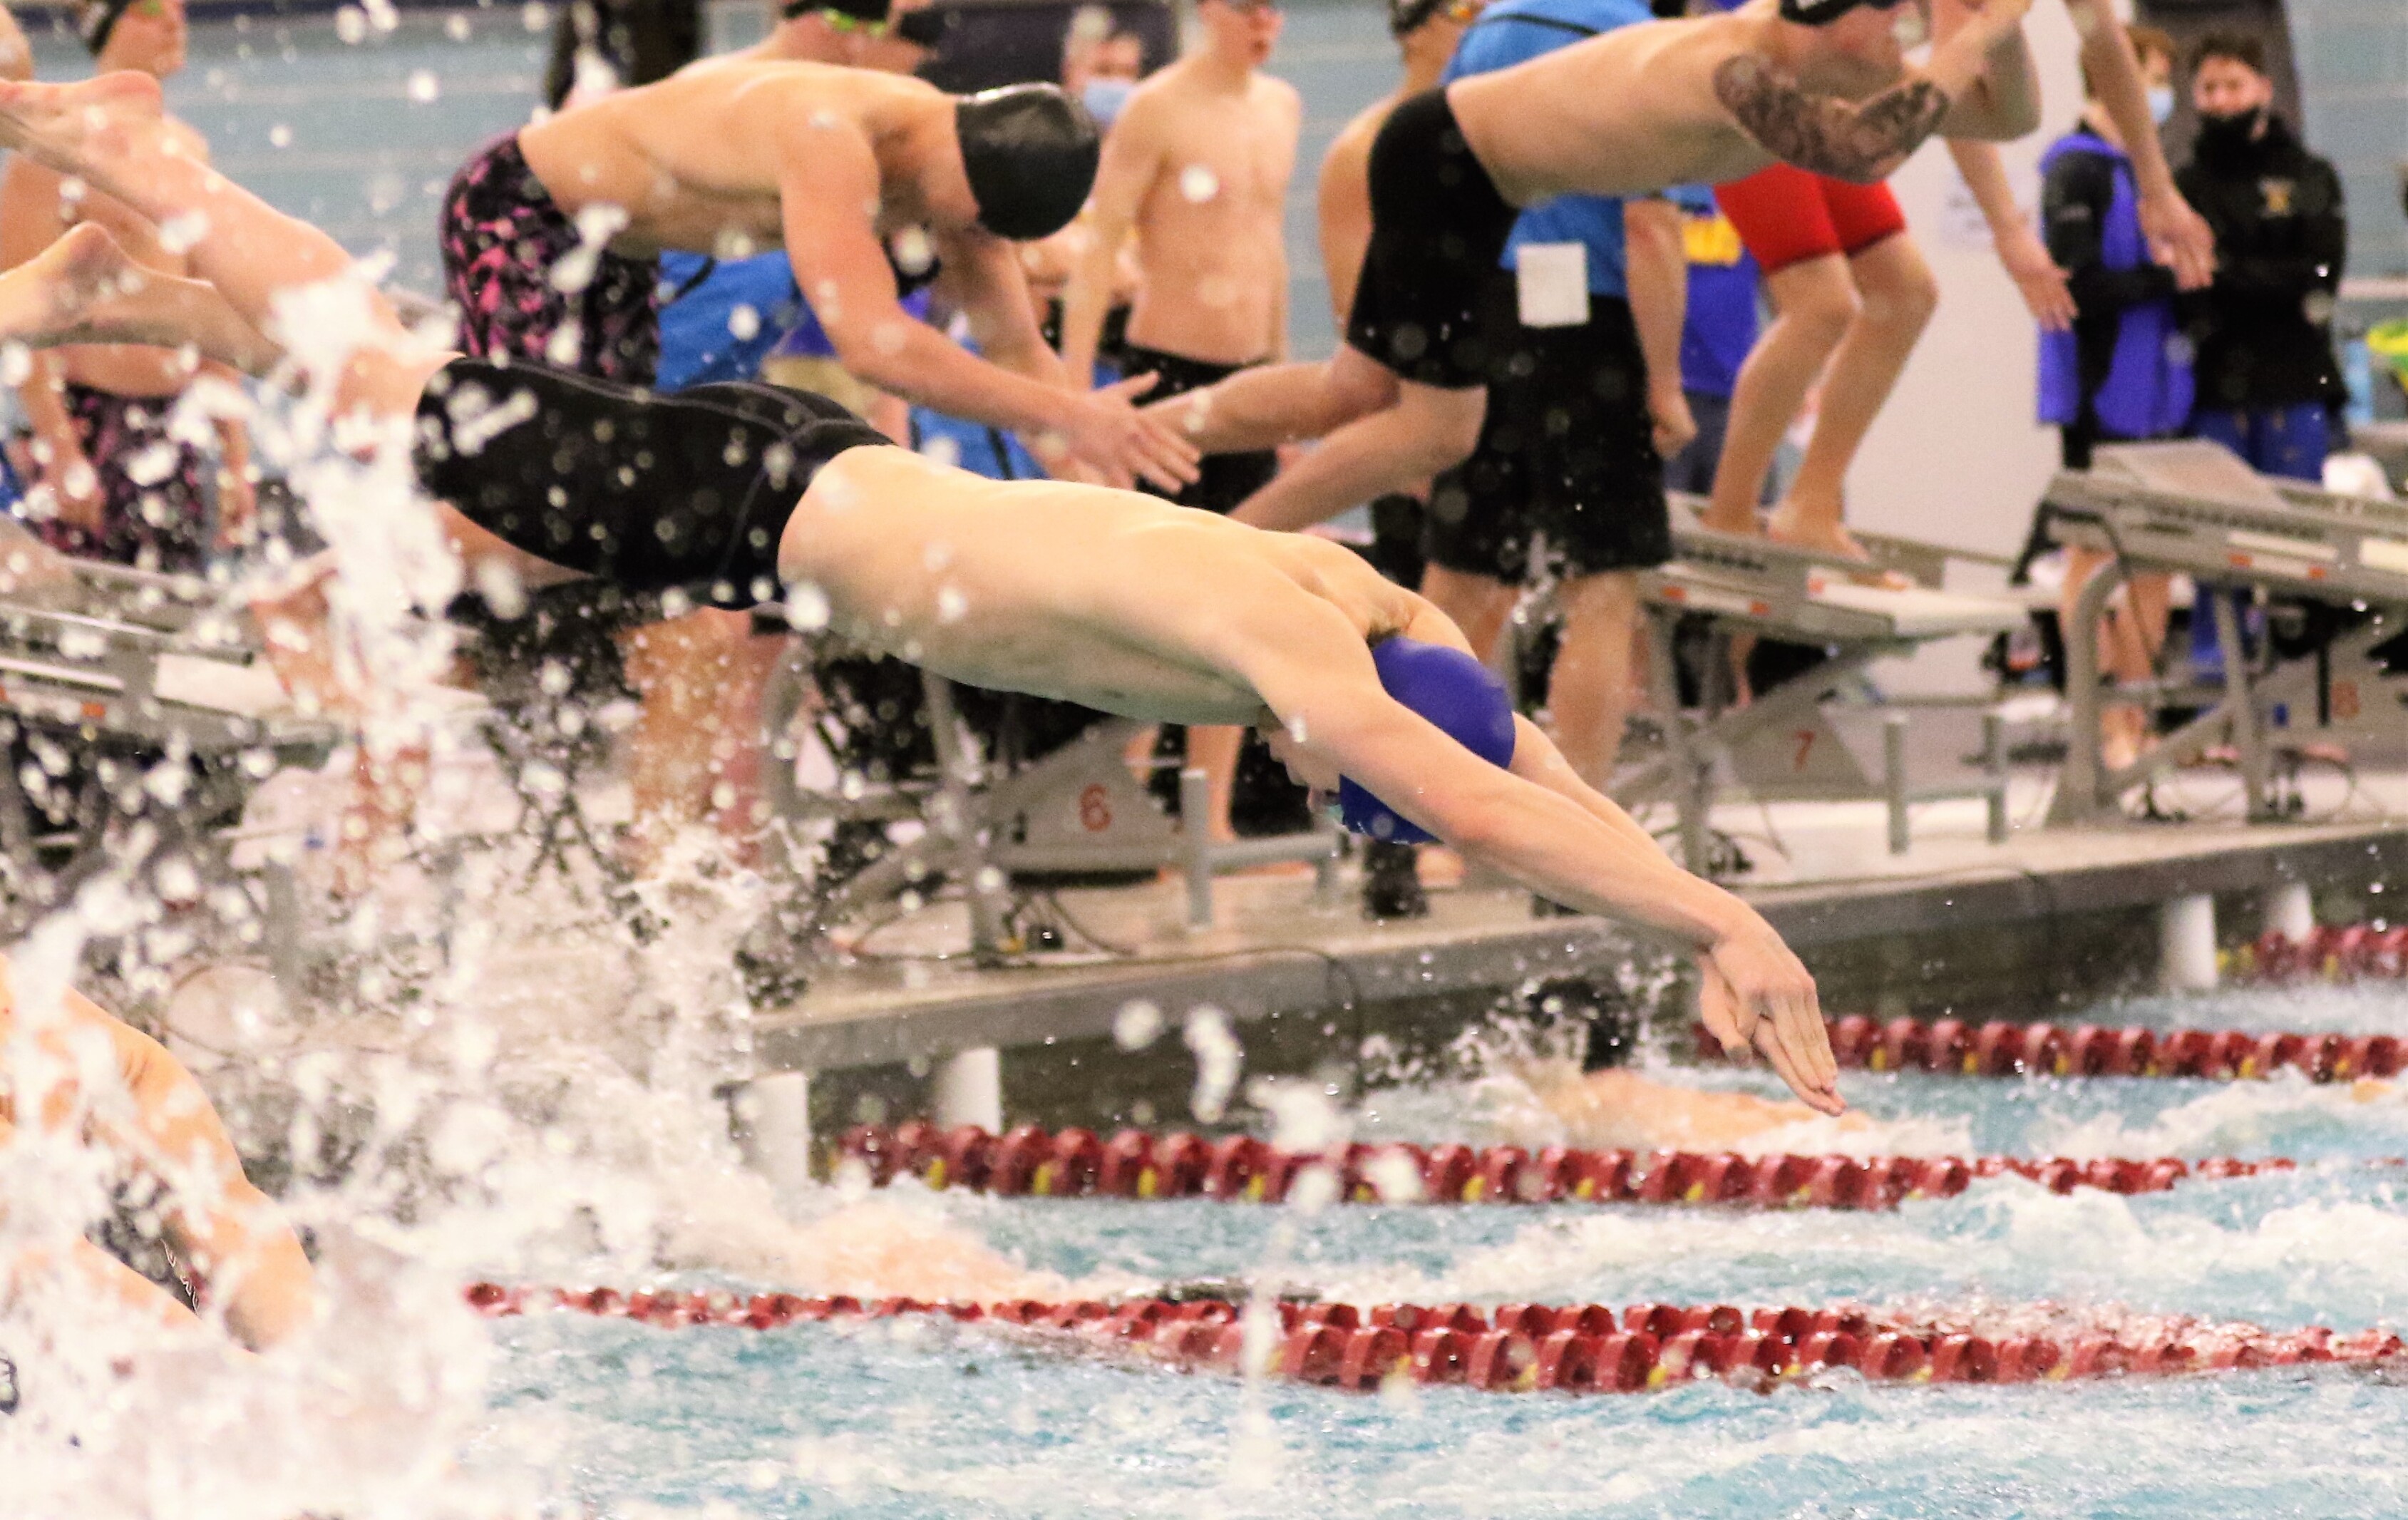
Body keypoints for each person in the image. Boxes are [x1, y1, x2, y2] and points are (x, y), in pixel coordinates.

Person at [0, 69, 1842, 1114]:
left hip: (786, 478)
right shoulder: (1309, 654)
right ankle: (129, 156)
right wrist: (1714, 928)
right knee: (377, 372)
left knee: (416, 409)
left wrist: (1691, 899)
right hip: (768, 501)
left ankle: (141, 287)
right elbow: (1473, 781)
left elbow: (1507, 749)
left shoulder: (1353, 596)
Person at [1143, 0, 2059, 538]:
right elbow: (1864, 156)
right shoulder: (1727, 65)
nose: (1897, 38)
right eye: (1888, 20)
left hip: (1468, 168)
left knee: (1350, 392)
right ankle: (1229, 545)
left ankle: (1127, 442)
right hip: (1449, 160)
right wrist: (1967, 42)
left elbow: (2005, 118)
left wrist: (1999, 24)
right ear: (1838, 25)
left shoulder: (1818, 60)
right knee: (1433, 429)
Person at [438, 61, 1193, 491]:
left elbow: (1017, 352)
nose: (972, 241)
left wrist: (1109, 495)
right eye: (973, 220)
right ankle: (369, 584)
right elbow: (872, 347)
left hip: (616, 255)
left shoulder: (964, 173)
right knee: (530, 476)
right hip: (522, 206)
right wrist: (1071, 417)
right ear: (959, 154)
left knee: (606, 486)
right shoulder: (831, 137)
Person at [1417, 0, 1690, 808]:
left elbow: (1436, 190)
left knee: (1461, 581)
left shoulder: (1490, 28)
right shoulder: (1641, 42)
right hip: (1588, 335)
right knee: (1600, 587)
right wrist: (1665, 383)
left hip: (1483, 319)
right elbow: (1650, 229)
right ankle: (1574, 834)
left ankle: (1401, 826)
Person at [1057, 0, 1300, 845]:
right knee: (1164, 606)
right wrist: (1071, 406)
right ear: (1208, 10)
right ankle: (1120, 809)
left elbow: (1266, 247)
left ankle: (1213, 822)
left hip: (1248, 383)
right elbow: (1098, 253)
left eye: (1275, 8)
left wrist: (1280, 387)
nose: (1264, 22)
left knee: (1246, 607)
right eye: (1247, 7)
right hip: (1169, 379)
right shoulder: (1160, 107)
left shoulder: (1282, 106)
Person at [0, 0, 254, 574]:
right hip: (92, 428)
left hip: (177, 427)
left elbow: (210, 309)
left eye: (181, 9)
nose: (175, 23)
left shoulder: (190, 150)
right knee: (93, 620)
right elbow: (17, 312)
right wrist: (61, 450)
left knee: (179, 620)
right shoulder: (54, 151)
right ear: (107, 26)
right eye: (154, 10)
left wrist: (237, 457)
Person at [1, 956, 318, 1365]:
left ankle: (289, 1388)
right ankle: (311, 1386)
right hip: (54, 1032)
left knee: (40, 1255)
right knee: (205, 1200)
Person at [2031, 25, 2190, 769]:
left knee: (2155, 560)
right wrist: (2170, 276)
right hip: (2100, 394)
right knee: (2093, 558)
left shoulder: (2146, 172)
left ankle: (2141, 712)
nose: (2161, 96)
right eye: (2153, 77)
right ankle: (2100, 721)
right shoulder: (2077, 169)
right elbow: (2080, 287)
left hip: (2156, 394)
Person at [2176, 30, 2345, 485]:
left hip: (2293, 379)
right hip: (2214, 382)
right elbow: (2185, 282)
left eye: (2234, 86)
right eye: (2209, 89)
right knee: (2221, 528)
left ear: (2263, 90)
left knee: (2296, 530)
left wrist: (2226, 270)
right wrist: (2244, 278)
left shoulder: (2309, 175)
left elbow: (2317, 274)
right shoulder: (2185, 186)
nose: (2222, 100)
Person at [1660, 181, 1761, 495]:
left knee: (1738, 523)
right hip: (1664, 389)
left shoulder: (1749, 189)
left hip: (1737, 392)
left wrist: (1808, 382)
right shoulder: (1653, 184)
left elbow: (1790, 284)